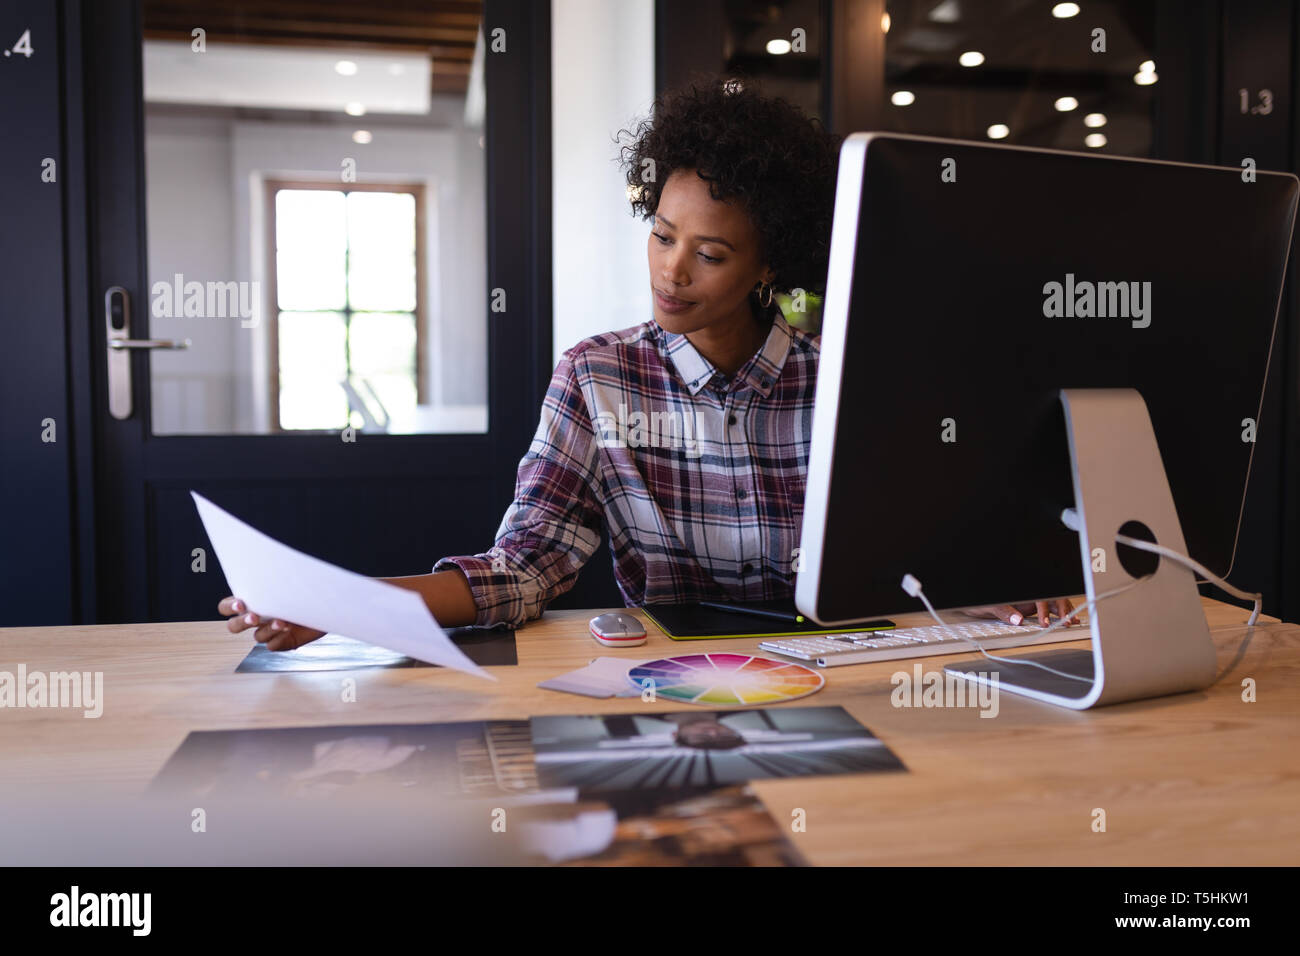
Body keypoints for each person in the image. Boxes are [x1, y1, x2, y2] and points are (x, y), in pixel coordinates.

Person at [220, 77, 1072, 650]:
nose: (671, 271)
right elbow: (523, 567)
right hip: (680, 689)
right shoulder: (598, 378)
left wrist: (992, 584)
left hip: (851, 670)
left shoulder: (843, 380)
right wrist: (340, 605)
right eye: (663, 236)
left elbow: (920, 551)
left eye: (710, 254)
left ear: (770, 267)